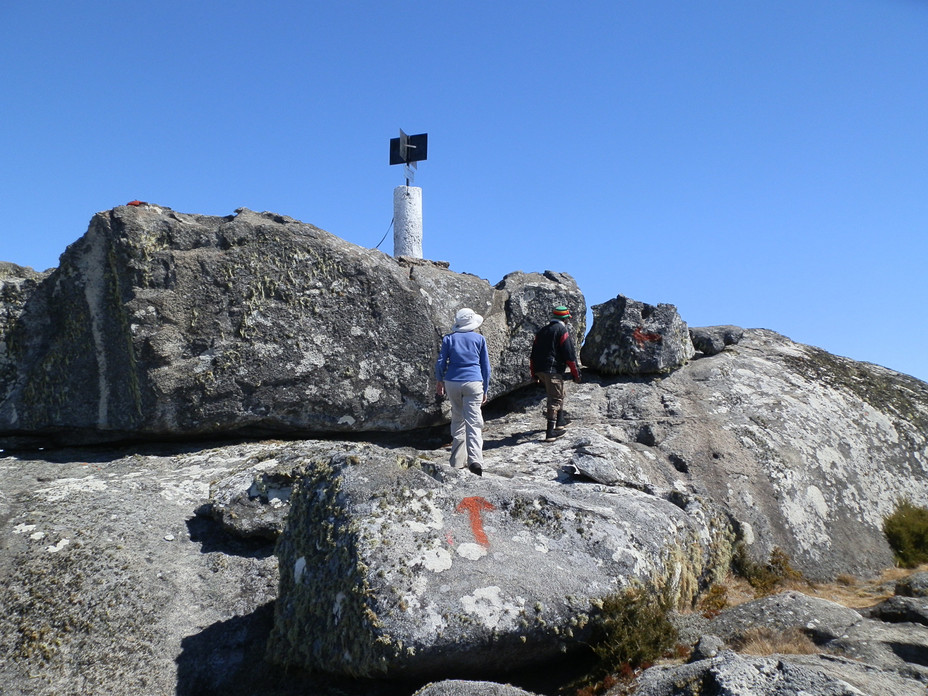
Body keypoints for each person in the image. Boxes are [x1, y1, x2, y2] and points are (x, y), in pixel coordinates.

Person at [435, 308, 492, 475]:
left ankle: (457, 462)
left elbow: (440, 362)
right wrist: (485, 388)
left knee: (458, 418)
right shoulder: (479, 339)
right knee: (474, 422)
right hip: (474, 381)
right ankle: (475, 461)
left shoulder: (449, 339)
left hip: (452, 381)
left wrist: (440, 380)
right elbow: (486, 367)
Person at [530, 305, 581, 441]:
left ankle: (560, 421)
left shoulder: (542, 331)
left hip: (540, 369)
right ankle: (550, 432)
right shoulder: (561, 330)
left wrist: (533, 372)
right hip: (552, 369)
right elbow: (569, 353)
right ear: (565, 319)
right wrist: (576, 372)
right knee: (555, 399)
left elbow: (533, 352)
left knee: (559, 392)